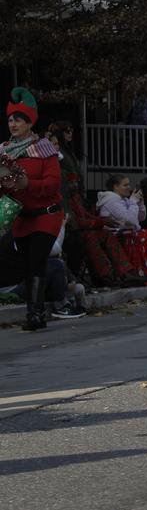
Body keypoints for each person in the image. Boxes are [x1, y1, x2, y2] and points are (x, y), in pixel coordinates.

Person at [0, 88, 63, 331]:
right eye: (10, 119)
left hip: (46, 216)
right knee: (26, 264)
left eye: (18, 119)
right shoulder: (4, 151)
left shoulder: (44, 148)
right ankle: (38, 310)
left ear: (29, 122)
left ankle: (35, 315)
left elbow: (53, 184)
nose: (13, 124)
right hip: (20, 219)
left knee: (36, 260)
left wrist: (29, 184)